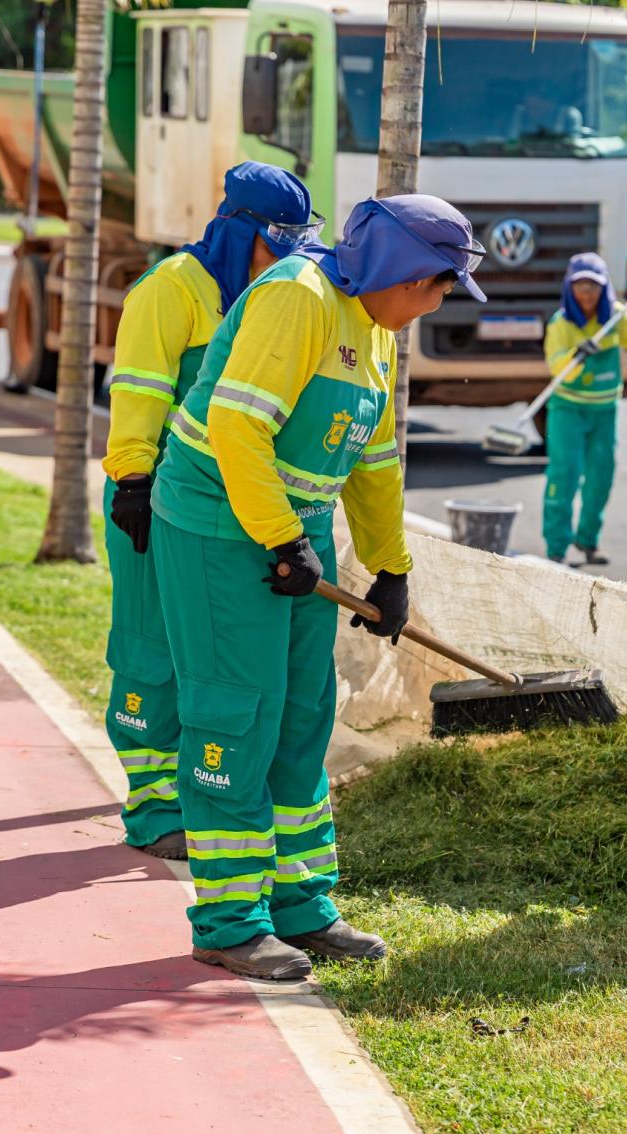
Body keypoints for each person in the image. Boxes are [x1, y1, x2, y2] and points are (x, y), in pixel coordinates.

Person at [152, 194, 487, 980]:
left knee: (305, 714)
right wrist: (281, 538)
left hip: (290, 535)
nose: (439, 302)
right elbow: (237, 427)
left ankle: (301, 906)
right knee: (237, 716)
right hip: (217, 528)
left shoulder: (372, 328)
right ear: (401, 270)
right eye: (438, 284)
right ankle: (230, 921)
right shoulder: (296, 300)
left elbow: (371, 465)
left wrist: (391, 568)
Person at [100, 162, 321, 862]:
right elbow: (136, 390)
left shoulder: (267, 297)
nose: (280, 260)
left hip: (224, 511)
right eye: (271, 242)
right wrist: (134, 478)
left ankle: (201, 796)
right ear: (237, 230)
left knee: (208, 666)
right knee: (150, 651)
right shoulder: (171, 290)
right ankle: (151, 803)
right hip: (150, 495)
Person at [539, 252, 627, 565]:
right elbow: (555, 366)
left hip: (605, 410)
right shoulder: (561, 324)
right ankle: (556, 546)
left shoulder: (617, 318)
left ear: (604, 288)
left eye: (593, 287)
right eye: (580, 286)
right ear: (569, 288)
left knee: (601, 476)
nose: (587, 294)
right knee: (565, 473)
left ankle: (588, 540)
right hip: (568, 409)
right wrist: (576, 354)